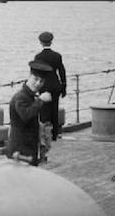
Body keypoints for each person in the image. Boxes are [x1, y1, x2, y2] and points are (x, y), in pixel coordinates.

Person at [6, 61, 53, 166]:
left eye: (41, 81)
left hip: (28, 149)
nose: (38, 84)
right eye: (35, 79)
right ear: (29, 77)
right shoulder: (20, 97)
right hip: (19, 151)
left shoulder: (30, 97)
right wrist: (40, 101)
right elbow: (26, 115)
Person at [33, 31, 66, 160]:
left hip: (44, 85)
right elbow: (62, 71)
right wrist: (64, 86)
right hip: (56, 84)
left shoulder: (38, 57)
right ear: (51, 42)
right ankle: (55, 134)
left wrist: (35, 88)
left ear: (41, 42)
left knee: (44, 111)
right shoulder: (57, 56)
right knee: (54, 108)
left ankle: (45, 135)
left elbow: (36, 73)